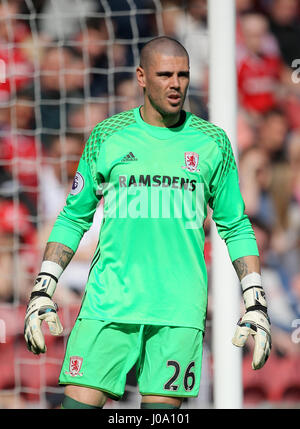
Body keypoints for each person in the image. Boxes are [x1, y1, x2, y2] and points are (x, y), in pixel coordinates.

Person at [24, 36, 271, 410]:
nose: (176, 84)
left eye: (183, 75)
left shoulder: (213, 142)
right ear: (141, 77)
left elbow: (235, 226)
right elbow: (74, 216)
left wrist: (254, 298)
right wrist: (43, 287)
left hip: (178, 309)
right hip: (109, 302)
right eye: (165, 74)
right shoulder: (107, 136)